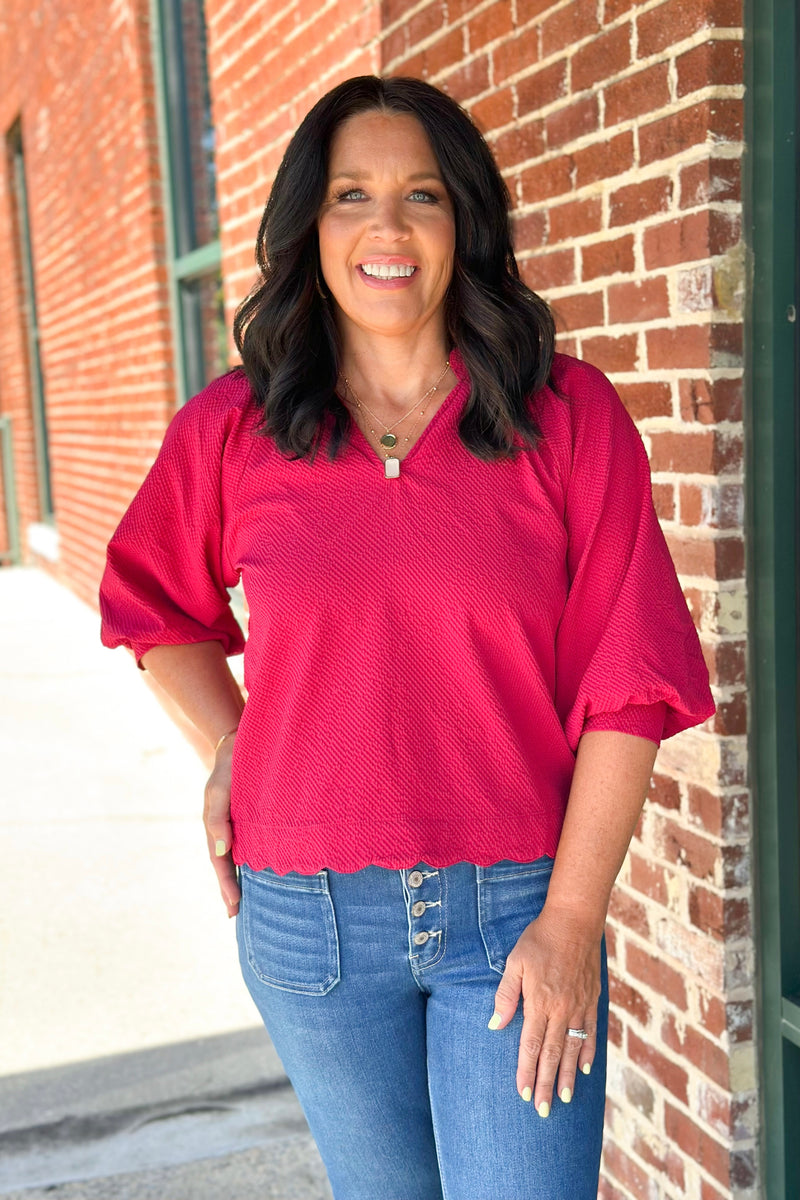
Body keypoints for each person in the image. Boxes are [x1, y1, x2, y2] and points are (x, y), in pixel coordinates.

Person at [99, 75, 715, 1200]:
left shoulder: (566, 417)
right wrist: (235, 745)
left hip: (516, 909)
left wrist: (572, 919)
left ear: (462, 223)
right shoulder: (232, 428)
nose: (385, 227)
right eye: (350, 195)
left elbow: (629, 686)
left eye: (420, 194)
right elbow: (154, 608)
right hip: (306, 922)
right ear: (309, 227)